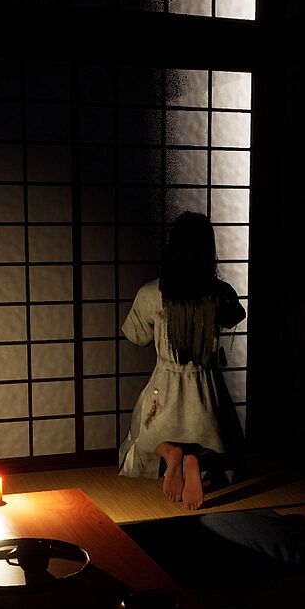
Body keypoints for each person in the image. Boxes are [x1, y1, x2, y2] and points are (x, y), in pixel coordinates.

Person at [117, 211, 246, 510]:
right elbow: (235, 316)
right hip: (206, 386)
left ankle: (172, 452)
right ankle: (193, 458)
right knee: (219, 439)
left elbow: (137, 336)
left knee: (146, 437)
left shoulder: (151, 292)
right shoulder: (220, 293)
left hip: (164, 387)